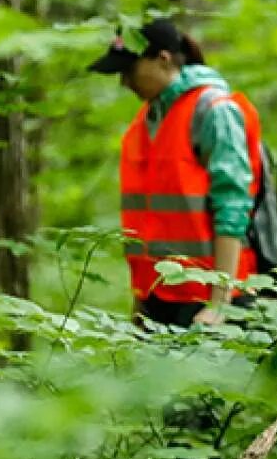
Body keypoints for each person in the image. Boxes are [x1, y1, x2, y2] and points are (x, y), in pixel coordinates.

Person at [89, 18, 264, 327]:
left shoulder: (212, 110)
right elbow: (149, 221)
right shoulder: (147, 121)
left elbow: (233, 207)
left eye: (129, 70)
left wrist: (219, 305)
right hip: (160, 299)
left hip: (210, 301)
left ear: (163, 59)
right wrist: (142, 300)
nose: (124, 82)